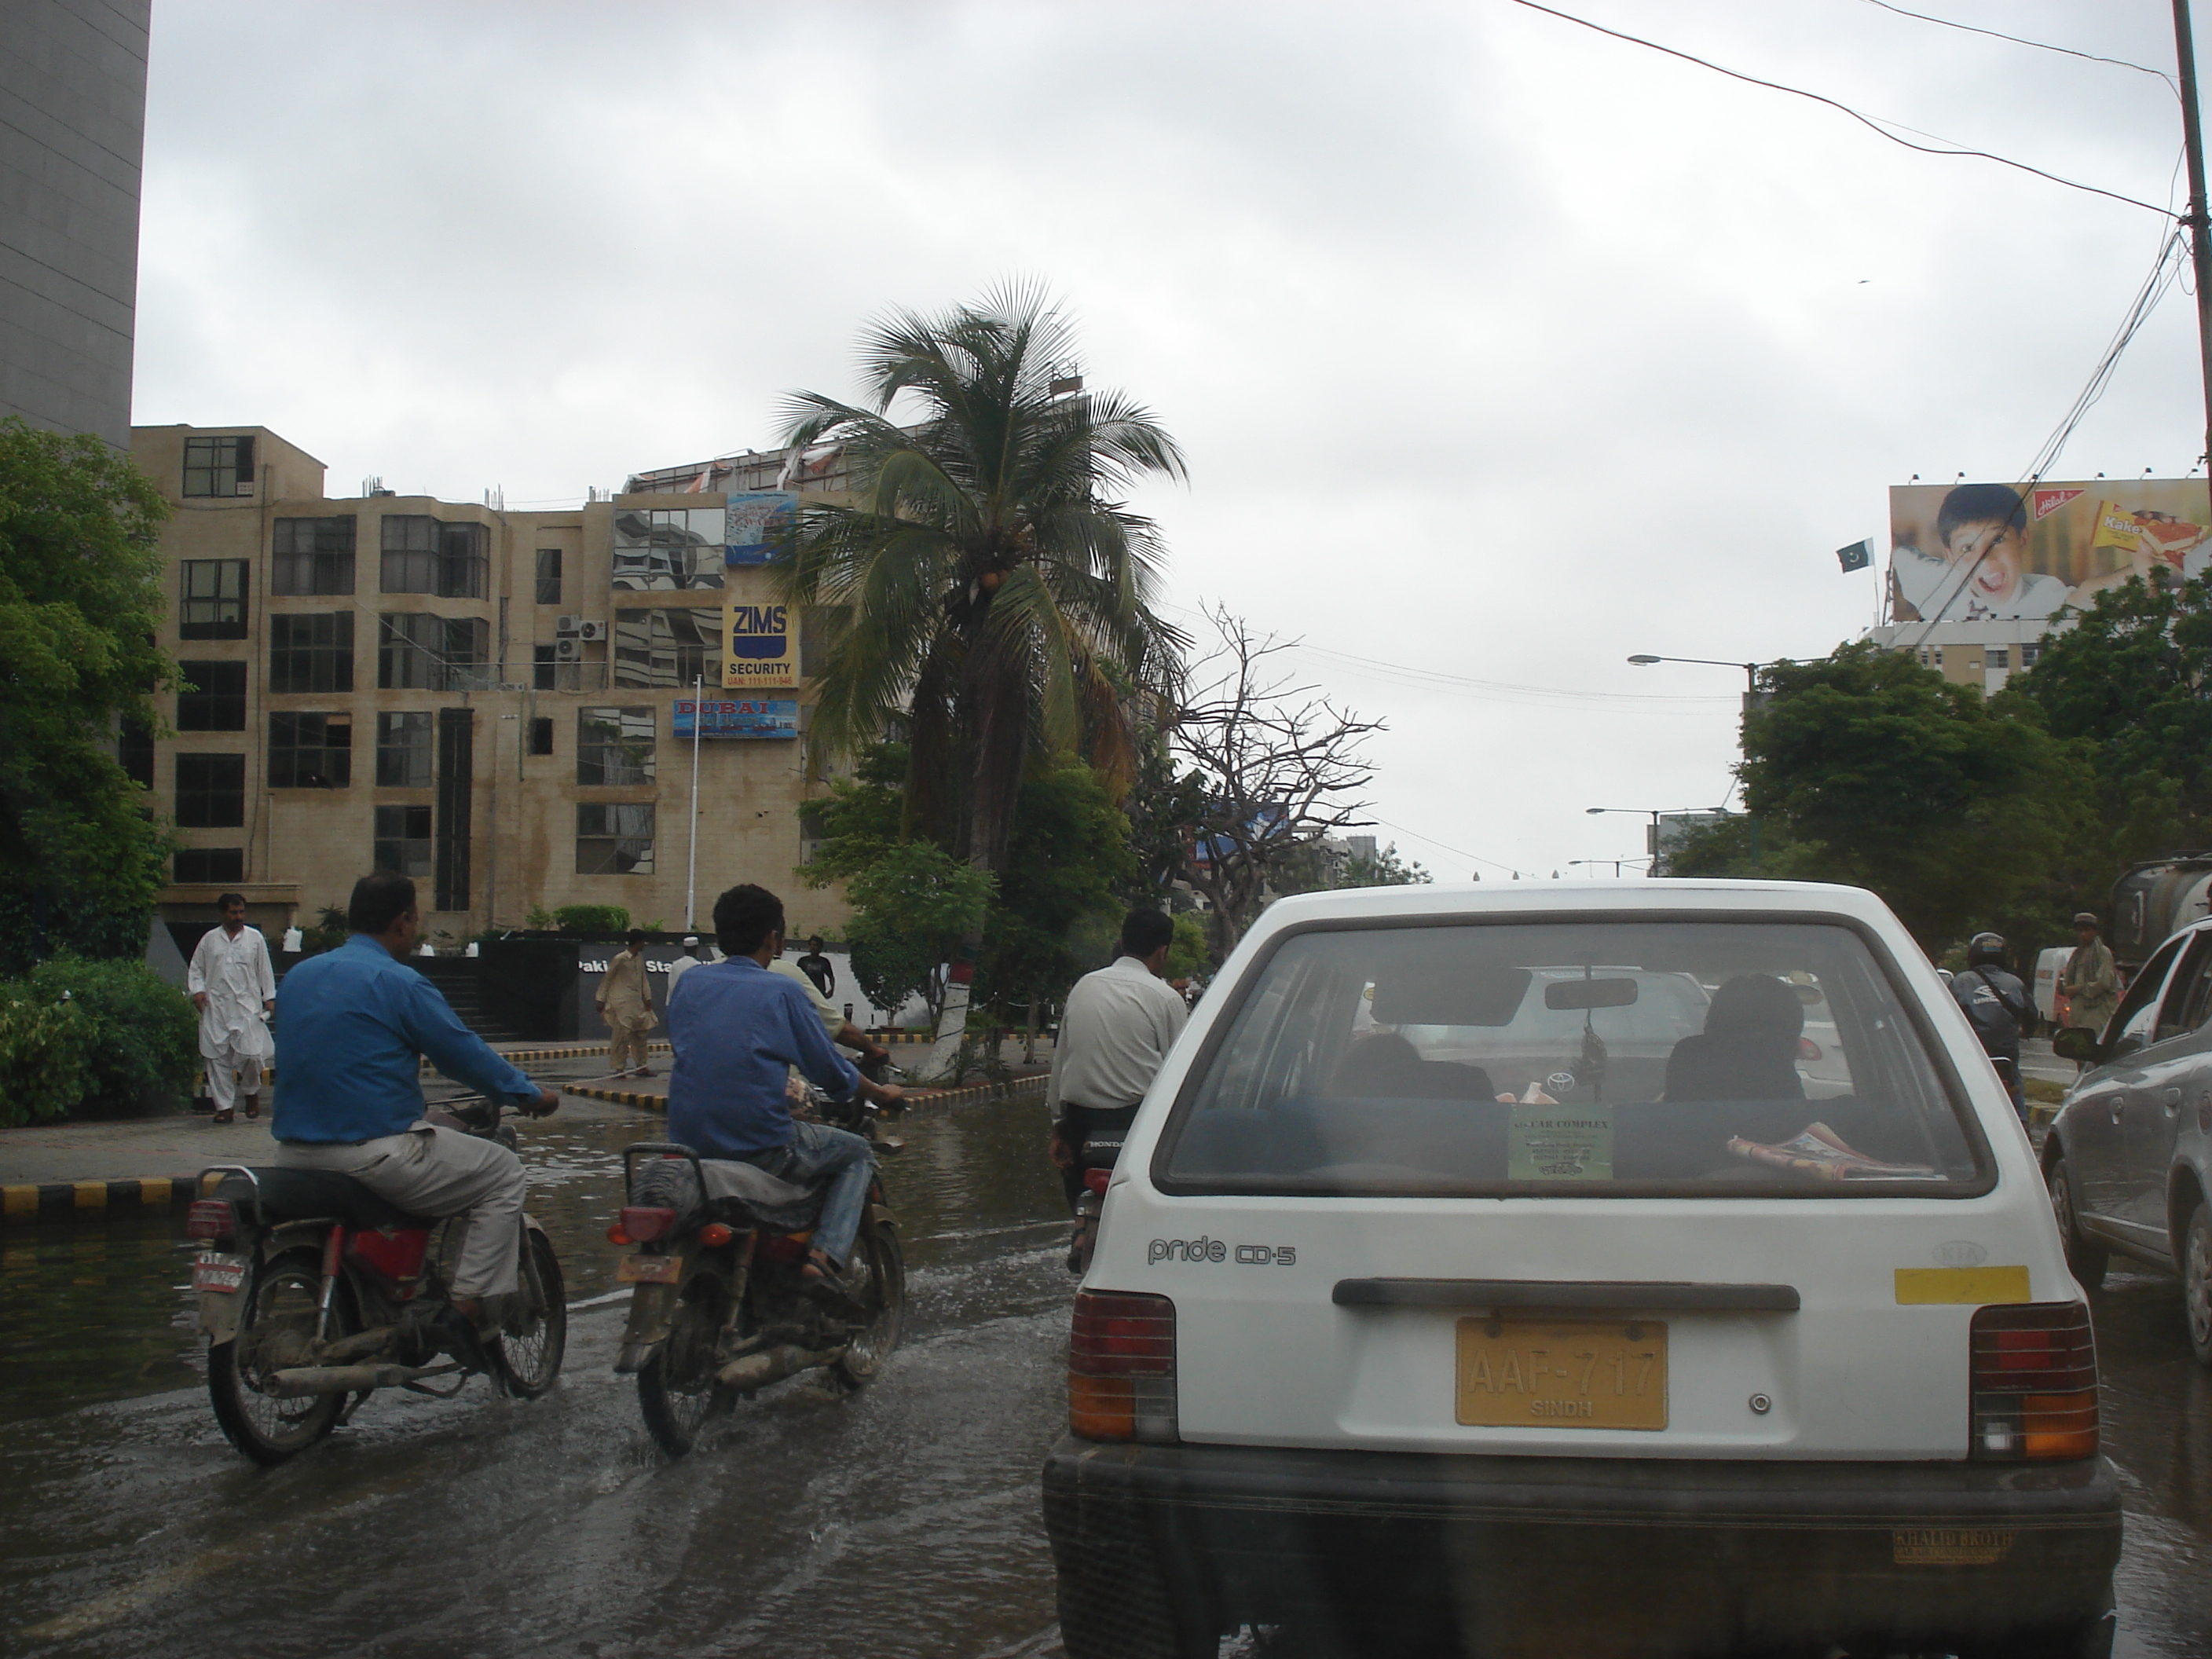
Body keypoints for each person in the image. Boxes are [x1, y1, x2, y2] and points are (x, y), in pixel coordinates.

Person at [272, 872, 558, 1357]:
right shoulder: (398, 980)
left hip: (293, 1155)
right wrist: (528, 1095)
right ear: (403, 922)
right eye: (416, 918)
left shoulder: (299, 976)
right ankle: (461, 1316)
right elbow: (459, 1053)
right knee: (503, 1173)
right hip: (371, 1154)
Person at [665, 884, 905, 1285]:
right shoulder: (783, 990)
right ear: (773, 939)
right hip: (761, 1146)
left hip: (687, 1143)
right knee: (857, 1152)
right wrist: (882, 1094)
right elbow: (830, 1072)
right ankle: (825, 1257)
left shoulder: (690, 985)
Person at [1045, 909, 1189, 1213]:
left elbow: (1060, 1063)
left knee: (1078, 1211)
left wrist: (1059, 1126)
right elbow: (1180, 1074)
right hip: (1137, 1127)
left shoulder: (1084, 986)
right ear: (1163, 952)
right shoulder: (1166, 998)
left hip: (1079, 1124)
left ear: (1122, 941)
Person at [1892, 484, 2071, 623]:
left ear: (2022, 538)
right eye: (1968, 548)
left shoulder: (2049, 595)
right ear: (1951, 557)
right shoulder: (1931, 585)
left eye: (1997, 540)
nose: (1985, 559)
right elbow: (1901, 556)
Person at [188, 893, 276, 1124]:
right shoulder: (209, 940)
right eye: (233, 913)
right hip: (216, 1007)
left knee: (252, 1055)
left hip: (247, 1007)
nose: (238, 917)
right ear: (222, 913)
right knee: (217, 1059)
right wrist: (197, 991)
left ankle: (250, 1092)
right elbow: (197, 969)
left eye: (241, 912)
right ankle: (224, 1107)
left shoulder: (254, 939)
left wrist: (269, 997)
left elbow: (264, 970)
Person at [1951, 932, 2034, 1120]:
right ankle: (2023, 1126)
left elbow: (1946, 1012)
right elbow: (2031, 1017)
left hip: (1973, 1052)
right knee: (2015, 1085)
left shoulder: (1961, 982)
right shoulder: (2015, 983)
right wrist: (2024, 1031)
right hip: (2007, 1053)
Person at [599, 928, 656, 1079]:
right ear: (637, 942)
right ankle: (619, 1069)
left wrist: (647, 998)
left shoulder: (639, 958)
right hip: (622, 1004)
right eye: (643, 941)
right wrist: (601, 999)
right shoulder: (620, 959)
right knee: (621, 1037)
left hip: (637, 1004)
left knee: (641, 1035)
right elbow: (608, 979)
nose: (645, 944)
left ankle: (641, 1067)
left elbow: (643, 979)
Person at [2060, 911, 2121, 1038]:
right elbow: (2068, 980)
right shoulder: (2077, 954)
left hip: (2097, 1009)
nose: (2083, 935)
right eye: (2080, 931)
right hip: (2078, 1010)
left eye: (2087, 930)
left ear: (2094, 932)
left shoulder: (2102, 953)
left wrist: (2079, 988)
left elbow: (2103, 982)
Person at [665, 936, 707, 1003]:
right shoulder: (698, 966)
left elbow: (671, 987)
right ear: (696, 949)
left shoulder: (675, 965)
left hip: (675, 1004)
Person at [796, 934, 836, 1000]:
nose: (812, 947)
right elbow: (797, 976)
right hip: (806, 993)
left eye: (815, 945)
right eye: (811, 945)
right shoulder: (803, 961)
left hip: (819, 993)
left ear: (820, 948)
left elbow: (831, 977)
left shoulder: (824, 962)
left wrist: (831, 990)